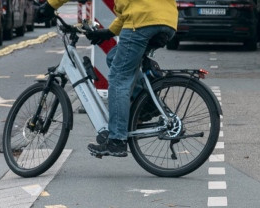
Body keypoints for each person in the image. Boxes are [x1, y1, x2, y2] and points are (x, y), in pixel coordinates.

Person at [38, 0, 177, 158]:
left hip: (141, 21)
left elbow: (136, 10)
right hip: (166, 20)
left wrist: (49, 6)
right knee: (113, 57)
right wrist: (110, 32)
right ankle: (148, 104)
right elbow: (135, 6)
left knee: (119, 77)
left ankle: (116, 140)